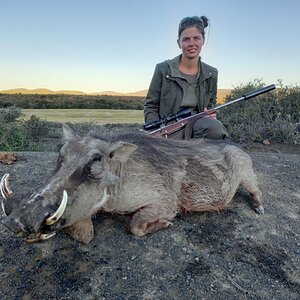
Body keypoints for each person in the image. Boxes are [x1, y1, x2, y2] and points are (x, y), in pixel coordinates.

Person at [144, 16, 228, 139]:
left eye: (196, 38)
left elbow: (211, 103)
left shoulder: (212, 73)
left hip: (198, 124)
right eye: (186, 39)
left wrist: (211, 114)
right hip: (168, 127)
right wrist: (156, 130)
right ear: (179, 43)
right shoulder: (162, 68)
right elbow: (151, 105)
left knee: (216, 129)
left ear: (203, 40)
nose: (191, 44)